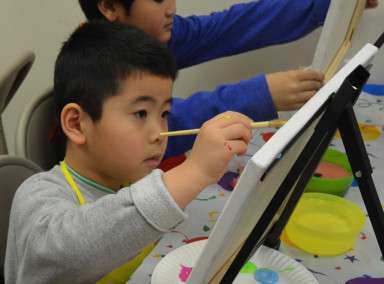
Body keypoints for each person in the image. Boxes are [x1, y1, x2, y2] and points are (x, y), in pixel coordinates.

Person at [4, 21, 253, 284]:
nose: (159, 133)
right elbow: (69, 252)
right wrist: (194, 171)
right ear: (77, 123)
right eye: (141, 113)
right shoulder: (37, 195)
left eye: (164, 113)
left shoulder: (133, 176)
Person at [78, 0, 378, 159]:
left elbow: (233, 26)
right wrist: (260, 95)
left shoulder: (154, 36)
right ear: (109, 7)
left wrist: (325, 4)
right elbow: (156, 130)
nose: (172, 7)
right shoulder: (93, 68)